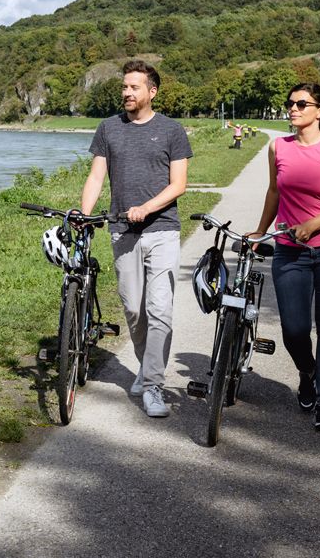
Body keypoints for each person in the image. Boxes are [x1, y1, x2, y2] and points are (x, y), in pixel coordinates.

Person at [79, 60, 193, 418]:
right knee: (133, 308)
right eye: (124, 87)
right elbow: (97, 177)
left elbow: (179, 185)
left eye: (134, 87)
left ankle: (154, 384)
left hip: (162, 230)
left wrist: (146, 207)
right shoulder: (108, 129)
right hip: (121, 231)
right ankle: (147, 369)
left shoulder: (172, 131)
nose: (127, 92)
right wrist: (85, 213)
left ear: (152, 92)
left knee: (159, 309)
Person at [248, 82, 320, 433]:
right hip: (290, 251)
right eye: (290, 103)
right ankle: (307, 371)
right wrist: (260, 229)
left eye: (301, 103)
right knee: (294, 330)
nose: (293, 108)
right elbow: (275, 191)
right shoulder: (277, 147)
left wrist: (312, 225)